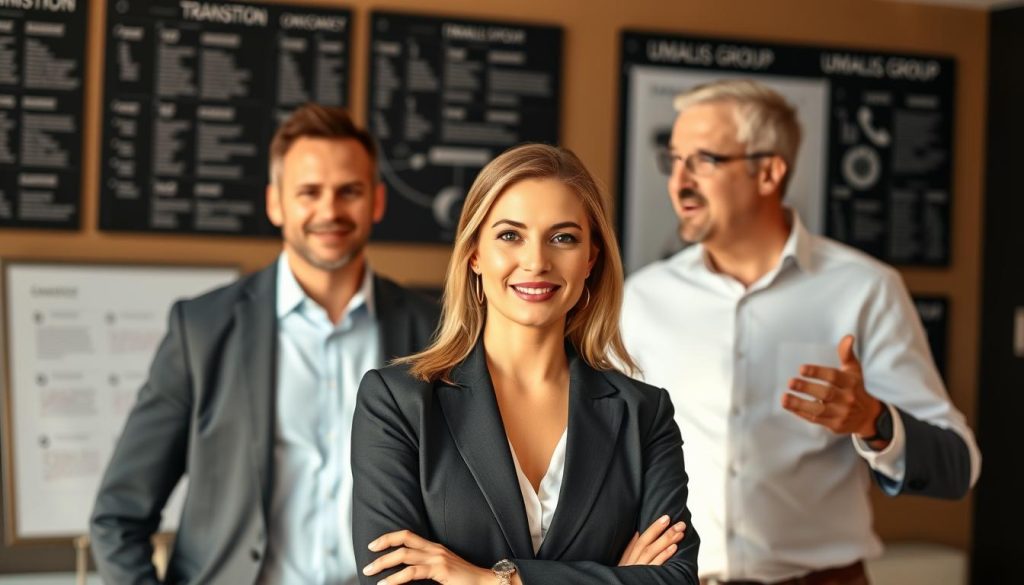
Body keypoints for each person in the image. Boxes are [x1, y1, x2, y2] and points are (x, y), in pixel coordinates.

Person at [621, 79, 980, 585]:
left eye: (703, 161)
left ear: (768, 172)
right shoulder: (643, 298)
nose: (678, 182)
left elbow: (957, 467)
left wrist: (872, 418)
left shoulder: (865, 289)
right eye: (673, 159)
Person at [90, 104, 440, 584]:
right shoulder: (202, 329)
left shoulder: (436, 332)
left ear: (377, 202)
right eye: (309, 192)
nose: (330, 211)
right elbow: (118, 515)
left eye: (349, 192)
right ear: (275, 203)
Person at [351, 144, 700, 585]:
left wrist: (494, 580)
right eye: (510, 235)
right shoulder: (398, 402)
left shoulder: (644, 414)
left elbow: (675, 579)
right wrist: (616, 578)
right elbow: (389, 581)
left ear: (591, 258)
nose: (536, 261)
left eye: (563, 238)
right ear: (474, 253)